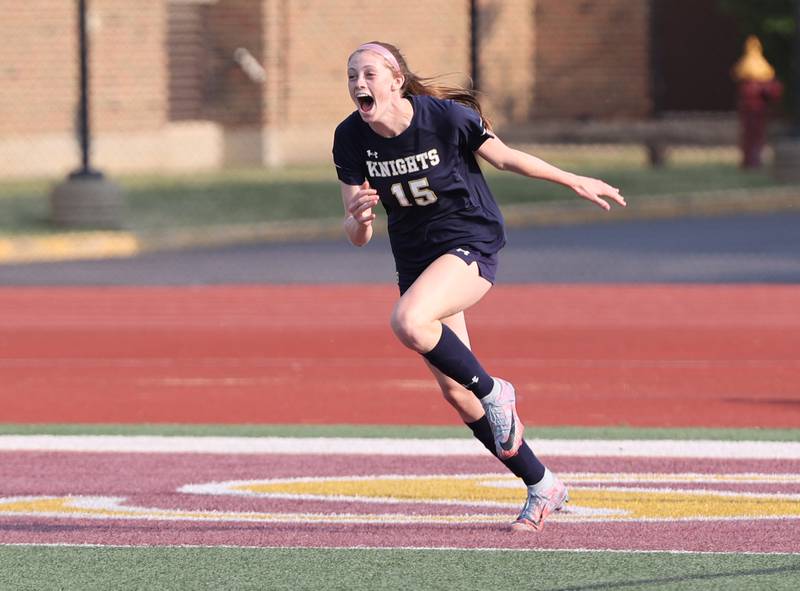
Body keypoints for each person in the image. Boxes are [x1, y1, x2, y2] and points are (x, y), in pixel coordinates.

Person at [332, 41, 626, 532]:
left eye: (368, 74)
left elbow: (506, 158)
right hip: (416, 261)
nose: (359, 84)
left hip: (470, 241)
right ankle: (543, 484)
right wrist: (358, 219)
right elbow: (357, 233)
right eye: (350, 76)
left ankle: (498, 390)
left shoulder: (445, 119)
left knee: (409, 321)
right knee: (457, 393)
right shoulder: (349, 138)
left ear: (396, 81)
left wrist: (572, 178)